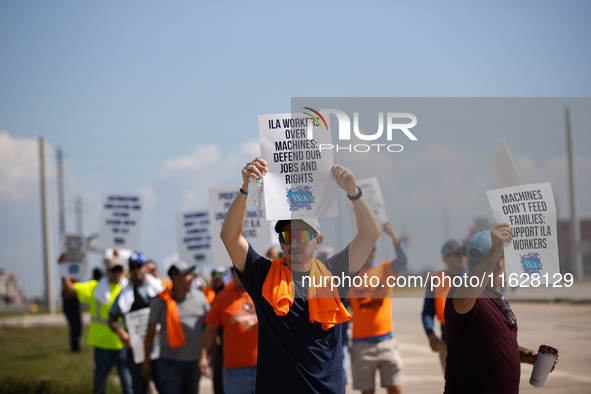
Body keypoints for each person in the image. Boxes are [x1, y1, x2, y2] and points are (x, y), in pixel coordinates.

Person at [220, 157, 381, 393]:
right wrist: (247, 188)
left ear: (318, 241)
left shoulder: (334, 273)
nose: (293, 243)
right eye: (286, 236)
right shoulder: (264, 275)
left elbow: (370, 234)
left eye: (302, 235)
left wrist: (353, 193)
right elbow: (230, 238)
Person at [444, 224, 559, 393]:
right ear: (499, 259)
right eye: (503, 256)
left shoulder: (495, 298)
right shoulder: (464, 293)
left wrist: (527, 355)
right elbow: (464, 298)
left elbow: (495, 346)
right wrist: (497, 249)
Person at [347, 222, 408, 394]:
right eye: (365, 248)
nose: (369, 252)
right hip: (361, 343)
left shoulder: (386, 269)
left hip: (387, 340)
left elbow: (403, 261)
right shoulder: (350, 276)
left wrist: (394, 237)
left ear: (376, 251)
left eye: (372, 248)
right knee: (367, 391)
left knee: (395, 387)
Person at [60, 252, 132, 394]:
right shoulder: (95, 287)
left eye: (119, 270)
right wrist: (63, 270)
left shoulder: (128, 288)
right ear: (107, 271)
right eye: (113, 270)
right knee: (99, 384)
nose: (117, 273)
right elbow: (69, 290)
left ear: (123, 272)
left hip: (123, 345)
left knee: (128, 385)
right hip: (102, 345)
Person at [143, 260, 210, 394]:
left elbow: (209, 327)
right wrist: (146, 363)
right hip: (169, 363)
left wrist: (205, 356)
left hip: (194, 363)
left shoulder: (200, 297)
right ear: (175, 277)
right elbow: (150, 333)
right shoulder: (160, 301)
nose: (191, 277)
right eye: (187, 274)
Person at [108, 252, 165, 394]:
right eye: (132, 267)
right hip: (136, 351)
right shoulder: (124, 294)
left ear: (145, 267)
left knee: (165, 387)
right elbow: (111, 320)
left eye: (139, 266)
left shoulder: (159, 289)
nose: (136, 270)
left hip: (159, 348)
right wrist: (122, 333)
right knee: (139, 389)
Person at [199, 266, 258, 394]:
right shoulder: (222, 297)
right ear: (232, 274)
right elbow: (210, 328)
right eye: (238, 272)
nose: (242, 276)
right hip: (233, 369)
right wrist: (204, 356)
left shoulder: (261, 293)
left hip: (263, 366)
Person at [421, 239, 467, 372]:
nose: (462, 257)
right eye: (456, 254)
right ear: (445, 259)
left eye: (464, 253)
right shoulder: (435, 282)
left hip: (474, 342)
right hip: (448, 344)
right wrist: (430, 334)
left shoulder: (475, 278)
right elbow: (427, 312)